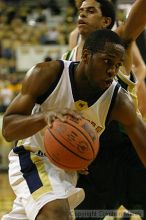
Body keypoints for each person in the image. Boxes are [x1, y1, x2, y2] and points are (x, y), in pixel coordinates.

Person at [1, 28, 146, 220]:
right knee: (57, 213)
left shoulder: (118, 100)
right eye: (107, 61)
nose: (112, 70)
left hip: (67, 170)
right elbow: (8, 129)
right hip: (32, 157)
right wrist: (45, 116)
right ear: (86, 56)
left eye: (117, 65)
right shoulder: (47, 74)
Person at [62, 0, 146, 219]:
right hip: (92, 153)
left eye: (90, 11)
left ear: (106, 21)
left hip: (128, 146)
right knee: (87, 215)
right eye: (81, 11)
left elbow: (135, 21)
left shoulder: (119, 43)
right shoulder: (68, 58)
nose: (82, 15)